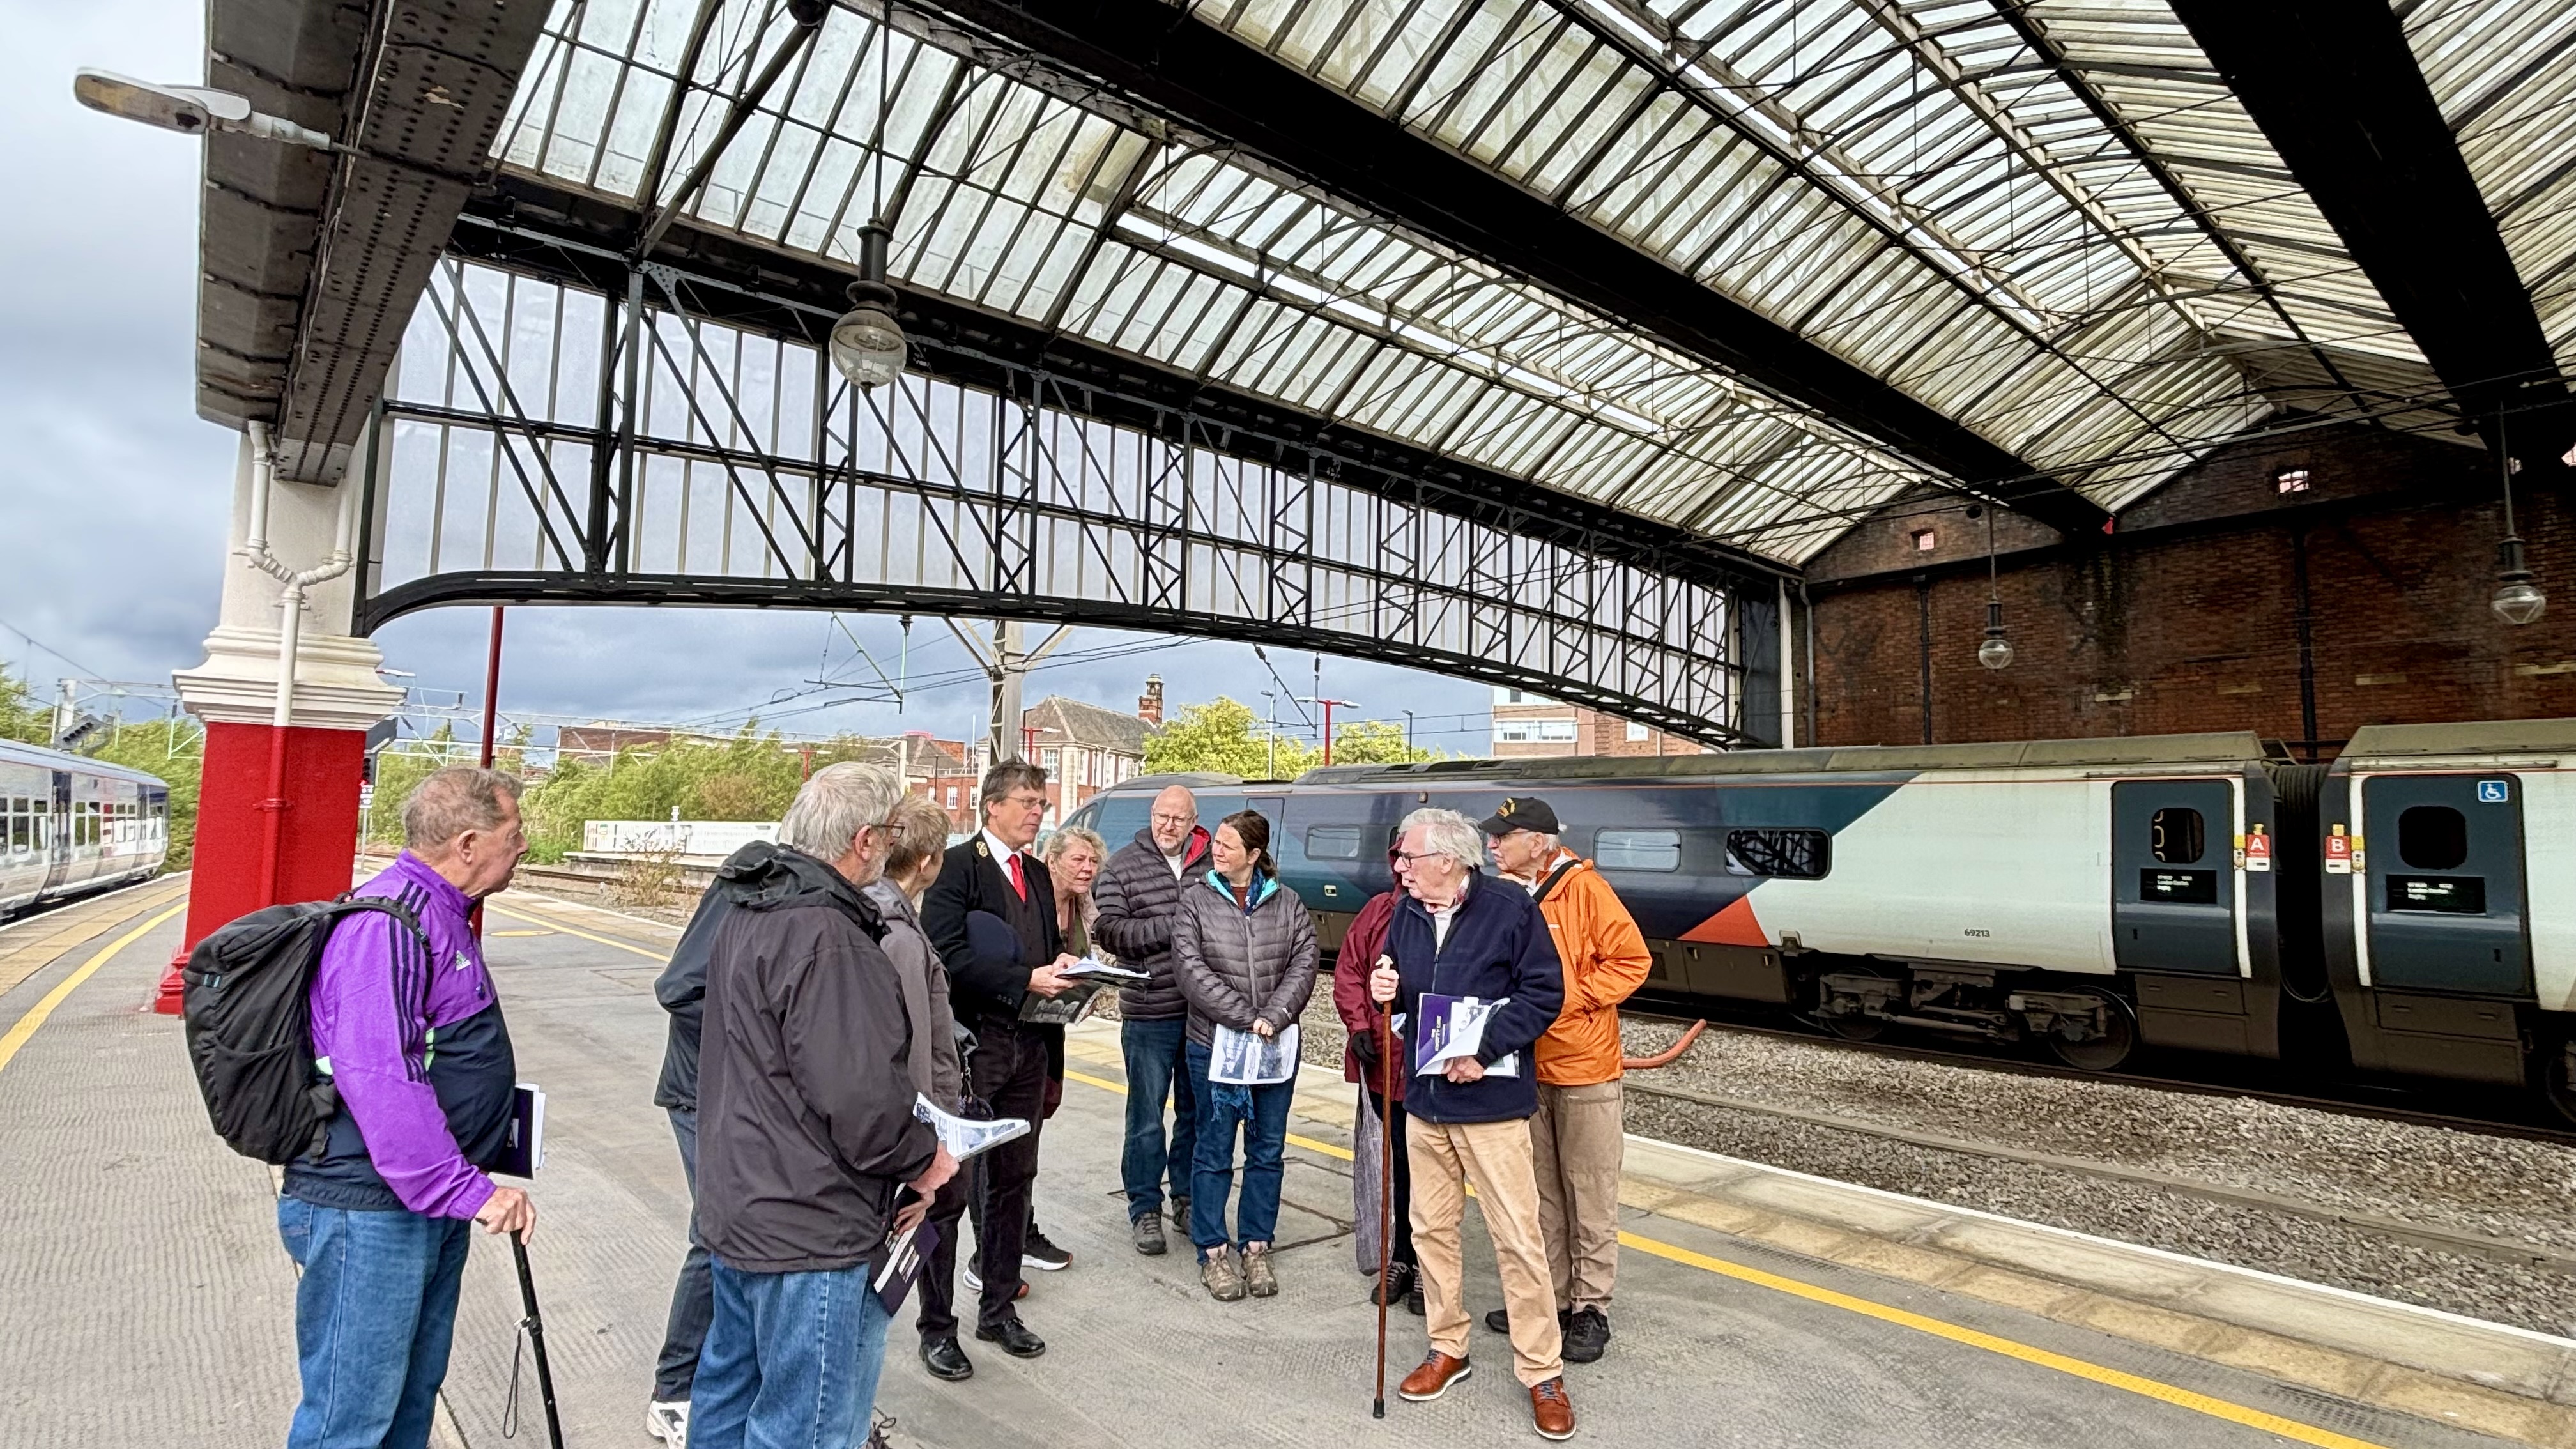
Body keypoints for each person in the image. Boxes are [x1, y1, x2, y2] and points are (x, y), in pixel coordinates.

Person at [689, 763, 958, 1449]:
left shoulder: (749, 910)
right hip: (810, 1224)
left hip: (743, 1203)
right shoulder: (830, 937)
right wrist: (924, 1160)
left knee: (727, 1396)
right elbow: (862, 1100)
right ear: (866, 840)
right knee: (806, 1428)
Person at [278, 767, 537, 1449]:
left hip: (416, 1206)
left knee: (407, 1401)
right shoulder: (386, 925)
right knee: (350, 1420)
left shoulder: (440, 915)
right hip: (368, 1210)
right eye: (516, 835)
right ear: (470, 843)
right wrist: (465, 1190)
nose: (525, 847)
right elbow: (378, 1076)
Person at [1368, 808, 1574, 1441]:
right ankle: (1447, 1347)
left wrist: (1481, 1051)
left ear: (1450, 860)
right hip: (1426, 1103)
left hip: (1491, 1106)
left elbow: (1544, 994)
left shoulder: (1510, 909)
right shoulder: (1404, 913)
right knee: (1431, 1232)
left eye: (1409, 857)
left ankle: (1542, 1372)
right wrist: (1387, 989)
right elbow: (1404, 996)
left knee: (1517, 1237)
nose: (1399, 868)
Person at [917, 761, 1078, 1376]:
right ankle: (937, 1327)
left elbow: (1042, 963)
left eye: (1043, 802)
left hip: (1029, 1048)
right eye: (1028, 801)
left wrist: (1064, 984)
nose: (1039, 811)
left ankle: (999, 1307)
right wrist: (1022, 979)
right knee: (950, 1188)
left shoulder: (1038, 874)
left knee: (1015, 1180)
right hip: (972, 1049)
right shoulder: (958, 870)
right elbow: (945, 956)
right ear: (992, 807)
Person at [1479, 797, 1653, 1365]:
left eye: (1503, 837)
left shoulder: (1584, 889)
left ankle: (1591, 1308)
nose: (1492, 845)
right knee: (1541, 1194)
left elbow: (1631, 960)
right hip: (1528, 1064)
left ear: (1538, 841)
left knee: (1591, 1191)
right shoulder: (1509, 893)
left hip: (1584, 1068)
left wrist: (1566, 1002)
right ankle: (1549, 1299)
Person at [1170, 810, 1318, 1301]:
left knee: (1267, 1150)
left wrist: (1274, 1017)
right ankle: (1213, 1251)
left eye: (1229, 846)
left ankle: (1257, 1244)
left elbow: (1304, 961)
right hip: (1214, 1047)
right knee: (1212, 1150)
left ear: (1254, 856)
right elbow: (1190, 969)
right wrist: (1245, 1017)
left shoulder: (1289, 903)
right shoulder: (1195, 902)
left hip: (1274, 1047)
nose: (1218, 850)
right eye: (1217, 842)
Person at [1091, 784, 1208, 1257]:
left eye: (1179, 819)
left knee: (1196, 1115)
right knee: (1145, 1118)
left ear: (1194, 820)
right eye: (1162, 816)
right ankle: (1144, 1208)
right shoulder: (1122, 865)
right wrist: (1175, 924)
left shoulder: (1210, 863)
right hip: (1148, 1012)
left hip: (1202, 1014)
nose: (1169, 826)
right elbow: (1110, 932)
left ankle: (1186, 1198)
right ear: (1151, 815)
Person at [1331, 836, 1422, 1314]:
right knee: (1394, 1168)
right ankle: (1400, 1256)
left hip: (1433, 1068)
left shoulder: (1455, 917)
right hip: (1386, 1067)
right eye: (1400, 860)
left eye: (1412, 860)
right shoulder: (1378, 911)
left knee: (1433, 1174)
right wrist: (1359, 1024)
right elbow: (1349, 971)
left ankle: (1428, 1262)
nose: (1405, 869)